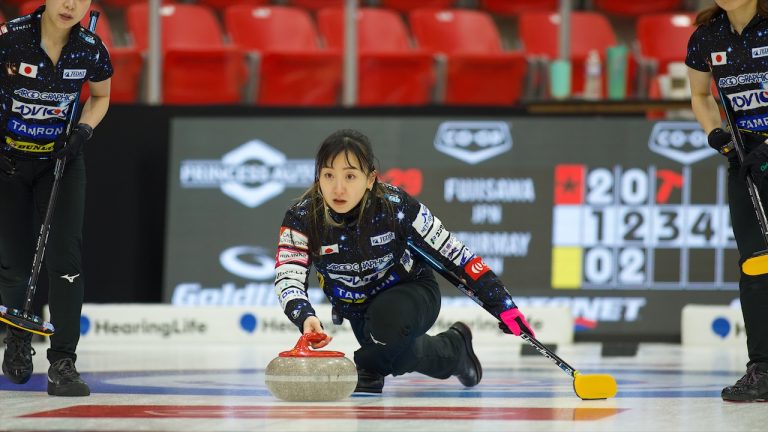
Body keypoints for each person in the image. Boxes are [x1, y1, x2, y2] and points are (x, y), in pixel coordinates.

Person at [273, 129, 534, 393]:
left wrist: (503, 304)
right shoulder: (302, 217)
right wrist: (304, 317)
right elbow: (288, 275)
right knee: (397, 355)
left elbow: (458, 256)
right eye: (328, 175)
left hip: (413, 293)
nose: (338, 188)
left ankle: (366, 364)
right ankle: (456, 351)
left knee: (385, 336)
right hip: (357, 310)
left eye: (350, 176)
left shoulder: (396, 207)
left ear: (370, 179)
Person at [0, 0, 112, 397]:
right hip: (8, 160)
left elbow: (100, 96)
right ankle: (16, 339)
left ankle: (63, 361)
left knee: (65, 261)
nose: (70, 5)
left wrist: (82, 131)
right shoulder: (10, 39)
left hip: (61, 162)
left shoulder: (90, 47)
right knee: (13, 263)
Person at [687, 0, 768, 402]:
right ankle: (762, 369)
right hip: (745, 159)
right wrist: (717, 137)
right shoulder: (706, 37)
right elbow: (700, 95)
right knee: (756, 263)